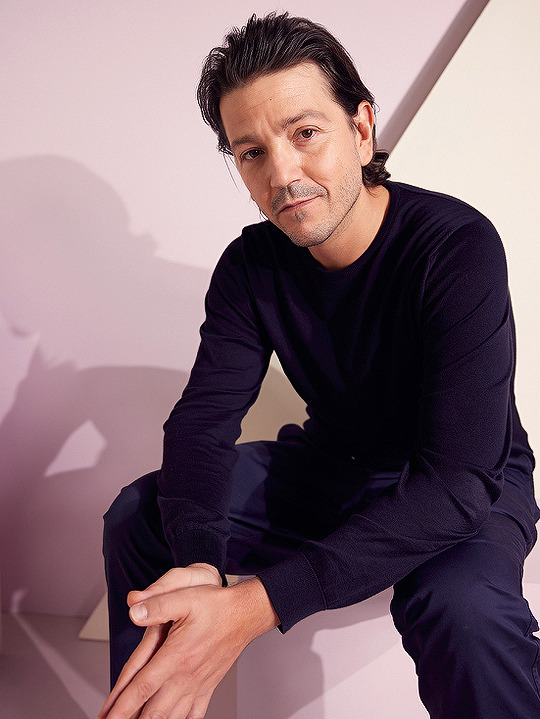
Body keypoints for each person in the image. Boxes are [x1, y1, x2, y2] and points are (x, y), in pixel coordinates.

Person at [99, 12, 540, 719]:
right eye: (251, 152)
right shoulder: (250, 267)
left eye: (304, 133)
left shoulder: (456, 246)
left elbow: (459, 482)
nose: (282, 174)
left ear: (361, 129)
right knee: (141, 514)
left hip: (462, 475)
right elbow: (202, 424)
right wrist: (202, 566)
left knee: (462, 607)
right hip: (338, 467)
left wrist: (254, 605)